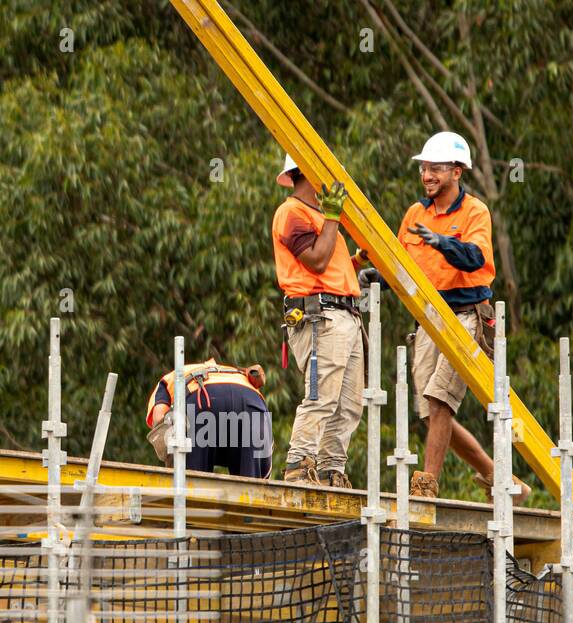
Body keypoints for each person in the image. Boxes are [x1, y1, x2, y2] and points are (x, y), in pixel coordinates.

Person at [363, 132, 530, 502]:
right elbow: (402, 266)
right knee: (429, 411)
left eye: (435, 168)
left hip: (466, 316)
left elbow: (477, 259)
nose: (427, 175)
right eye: (424, 168)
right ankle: (498, 476)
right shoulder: (415, 214)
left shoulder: (475, 211)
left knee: (440, 401)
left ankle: (427, 484)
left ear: (457, 171)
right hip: (428, 318)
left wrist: (445, 244)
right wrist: (378, 276)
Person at [271, 153, 364, 488]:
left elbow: (333, 266)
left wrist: (355, 261)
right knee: (321, 396)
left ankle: (329, 469)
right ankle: (299, 464)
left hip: (345, 314)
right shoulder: (291, 212)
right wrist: (334, 215)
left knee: (349, 404)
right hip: (320, 316)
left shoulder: (322, 219)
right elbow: (317, 261)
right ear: (307, 173)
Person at [146, 359, 272, 478]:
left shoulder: (167, 380)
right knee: (252, 488)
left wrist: (174, 466)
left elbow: (160, 420)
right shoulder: (237, 375)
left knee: (193, 487)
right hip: (253, 404)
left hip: (202, 400)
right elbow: (264, 458)